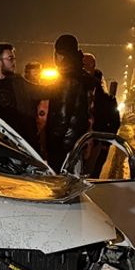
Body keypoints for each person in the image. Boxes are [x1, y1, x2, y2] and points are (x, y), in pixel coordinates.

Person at [43, 33, 96, 170]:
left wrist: (50, 147)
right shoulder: (81, 75)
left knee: (60, 181)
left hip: (63, 148)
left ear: (60, 55)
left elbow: (61, 118)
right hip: (76, 143)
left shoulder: (67, 79)